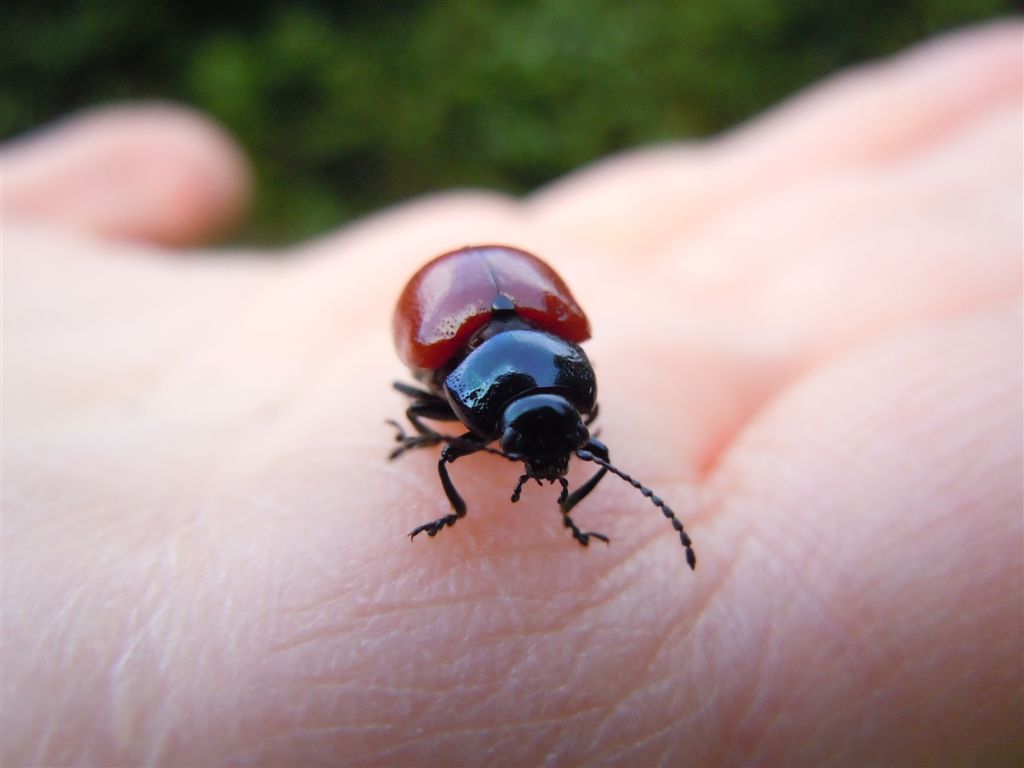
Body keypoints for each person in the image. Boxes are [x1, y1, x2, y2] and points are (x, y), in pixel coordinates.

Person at [2, 22, 1021, 767]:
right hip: (481, 323)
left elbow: (533, 423)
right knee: (430, 444)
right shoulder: (465, 387)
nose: (546, 462)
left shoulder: (551, 384)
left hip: (503, 325)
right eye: (544, 446)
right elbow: (433, 418)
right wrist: (441, 462)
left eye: (556, 444)